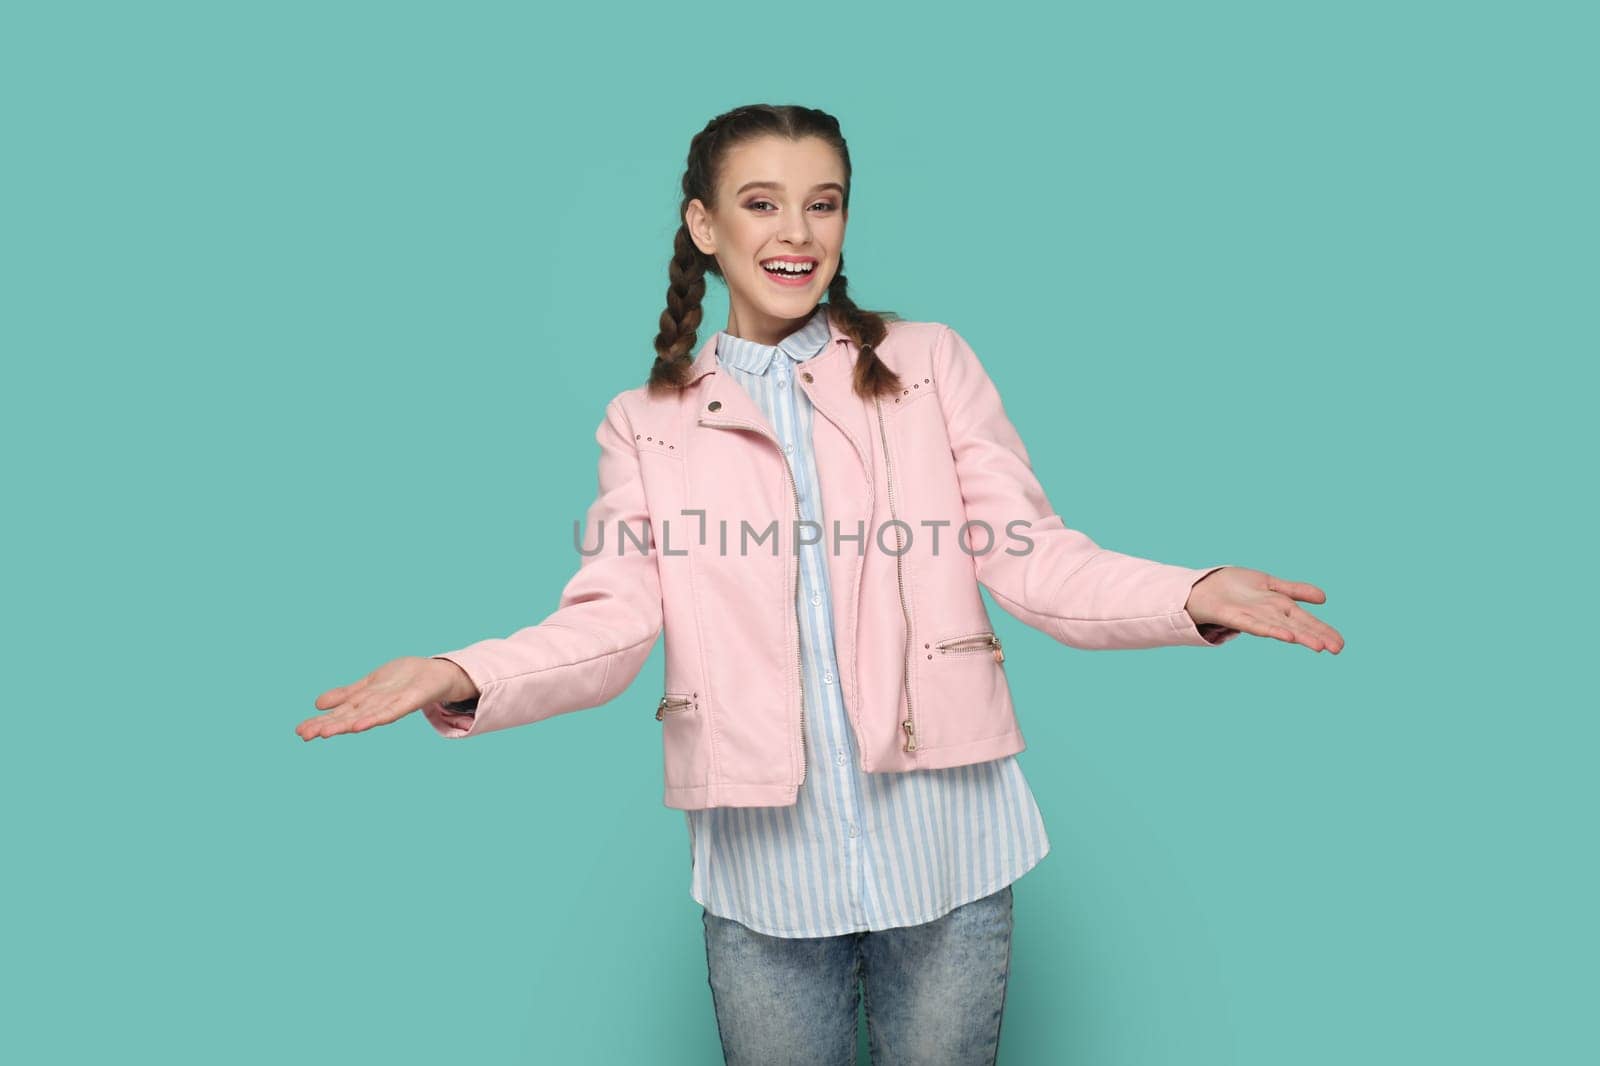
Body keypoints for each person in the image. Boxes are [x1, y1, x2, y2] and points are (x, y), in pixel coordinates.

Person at [296, 103, 1344, 1065]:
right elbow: (611, 623)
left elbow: (1031, 554)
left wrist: (1186, 593)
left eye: (822, 202)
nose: (795, 231)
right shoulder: (645, 421)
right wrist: (461, 671)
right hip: (762, 876)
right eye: (761, 204)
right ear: (703, 226)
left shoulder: (928, 363)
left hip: (952, 851)